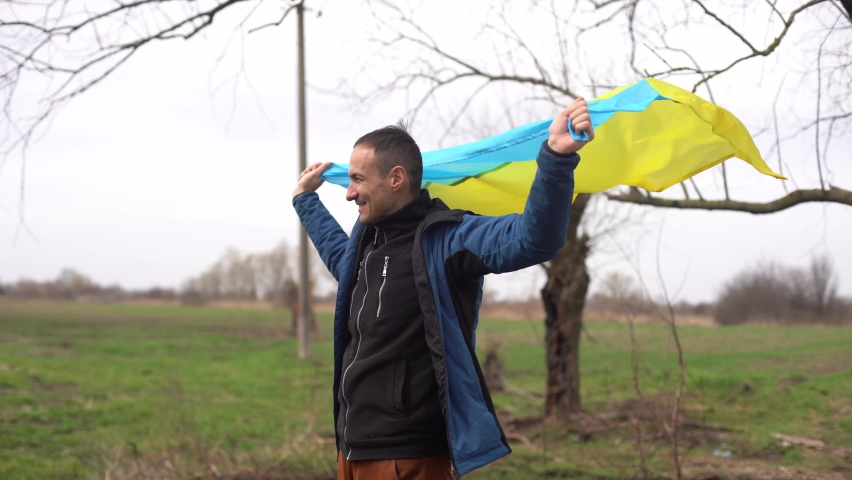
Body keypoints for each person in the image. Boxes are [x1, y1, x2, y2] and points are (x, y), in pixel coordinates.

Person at [292, 98, 594, 479]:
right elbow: (341, 259)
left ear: (397, 178)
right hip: (351, 451)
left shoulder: (449, 238)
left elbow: (532, 239)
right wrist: (305, 201)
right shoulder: (367, 242)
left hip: (408, 456)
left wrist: (556, 158)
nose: (349, 192)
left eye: (358, 179)